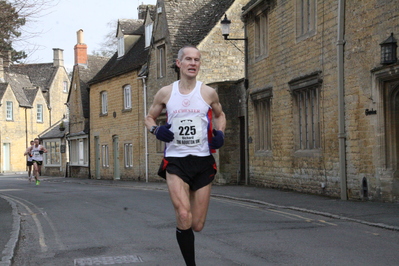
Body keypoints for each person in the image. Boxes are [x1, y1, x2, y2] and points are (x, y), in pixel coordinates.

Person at [145, 45, 226, 266]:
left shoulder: (208, 92)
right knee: (183, 215)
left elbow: (220, 115)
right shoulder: (166, 92)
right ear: (179, 64)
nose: (193, 63)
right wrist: (156, 130)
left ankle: (189, 219)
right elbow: (149, 118)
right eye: (188, 59)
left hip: (202, 161)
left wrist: (220, 134)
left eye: (197, 60)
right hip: (176, 161)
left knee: (197, 224)